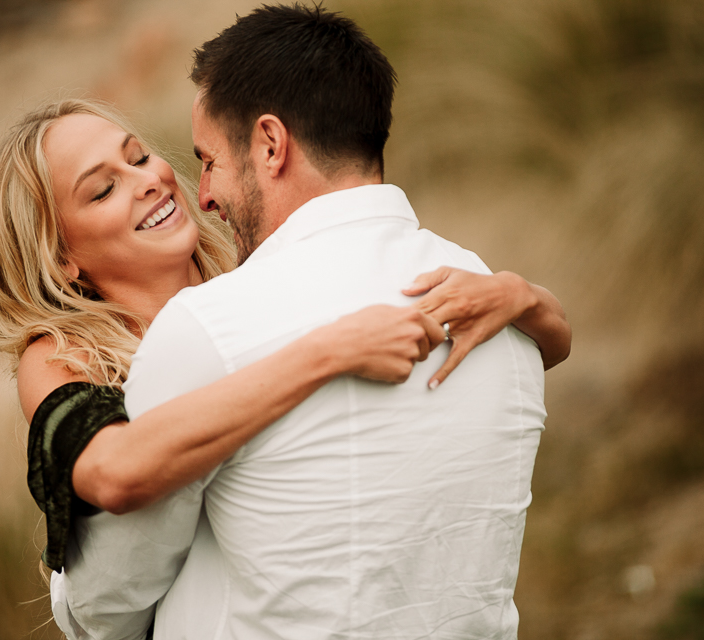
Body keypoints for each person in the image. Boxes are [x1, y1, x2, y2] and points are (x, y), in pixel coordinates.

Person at [48, 5, 567, 640]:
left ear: (271, 145)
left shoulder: (209, 327)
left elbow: (110, 604)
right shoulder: (495, 304)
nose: (202, 194)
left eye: (209, 160)